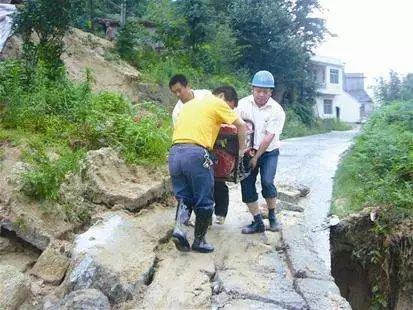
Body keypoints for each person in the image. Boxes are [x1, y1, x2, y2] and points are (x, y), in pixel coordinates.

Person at [169, 86, 246, 253]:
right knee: (205, 199)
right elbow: (241, 126)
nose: (229, 110)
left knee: (185, 196)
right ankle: (199, 241)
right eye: (230, 107)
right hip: (196, 154)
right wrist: (242, 151)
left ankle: (179, 230)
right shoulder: (217, 102)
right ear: (223, 97)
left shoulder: (190, 104)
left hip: (175, 153)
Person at [169, 76, 234, 225]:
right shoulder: (177, 111)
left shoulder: (205, 95)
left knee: (212, 183)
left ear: (188, 87)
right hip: (196, 146)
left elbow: (218, 111)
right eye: (175, 93)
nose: (178, 95)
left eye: (179, 90)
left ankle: (188, 224)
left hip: (203, 144)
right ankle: (200, 228)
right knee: (202, 187)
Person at [237, 70, 286, 234]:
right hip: (247, 151)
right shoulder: (242, 104)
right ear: (252, 89)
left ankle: (272, 216)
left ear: (271, 92)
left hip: (268, 152)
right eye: (258, 90)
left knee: (267, 182)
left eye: (265, 91)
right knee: (247, 184)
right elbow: (235, 127)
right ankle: (257, 221)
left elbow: (268, 137)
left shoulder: (277, 110)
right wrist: (242, 151)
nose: (261, 94)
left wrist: (256, 157)